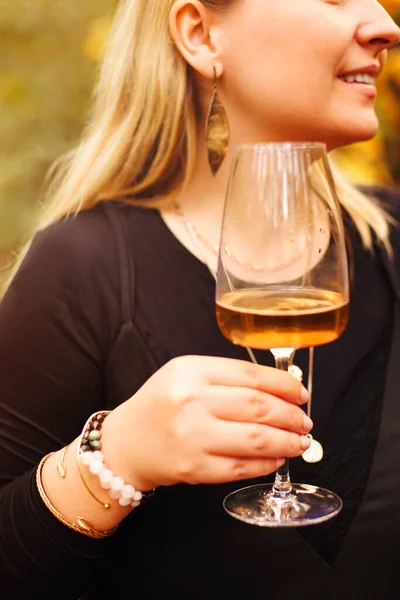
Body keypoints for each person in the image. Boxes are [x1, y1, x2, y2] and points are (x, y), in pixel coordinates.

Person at [1, 0, 400, 598]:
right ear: (200, 32)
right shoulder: (82, 267)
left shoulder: (393, 238)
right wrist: (115, 459)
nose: (385, 25)